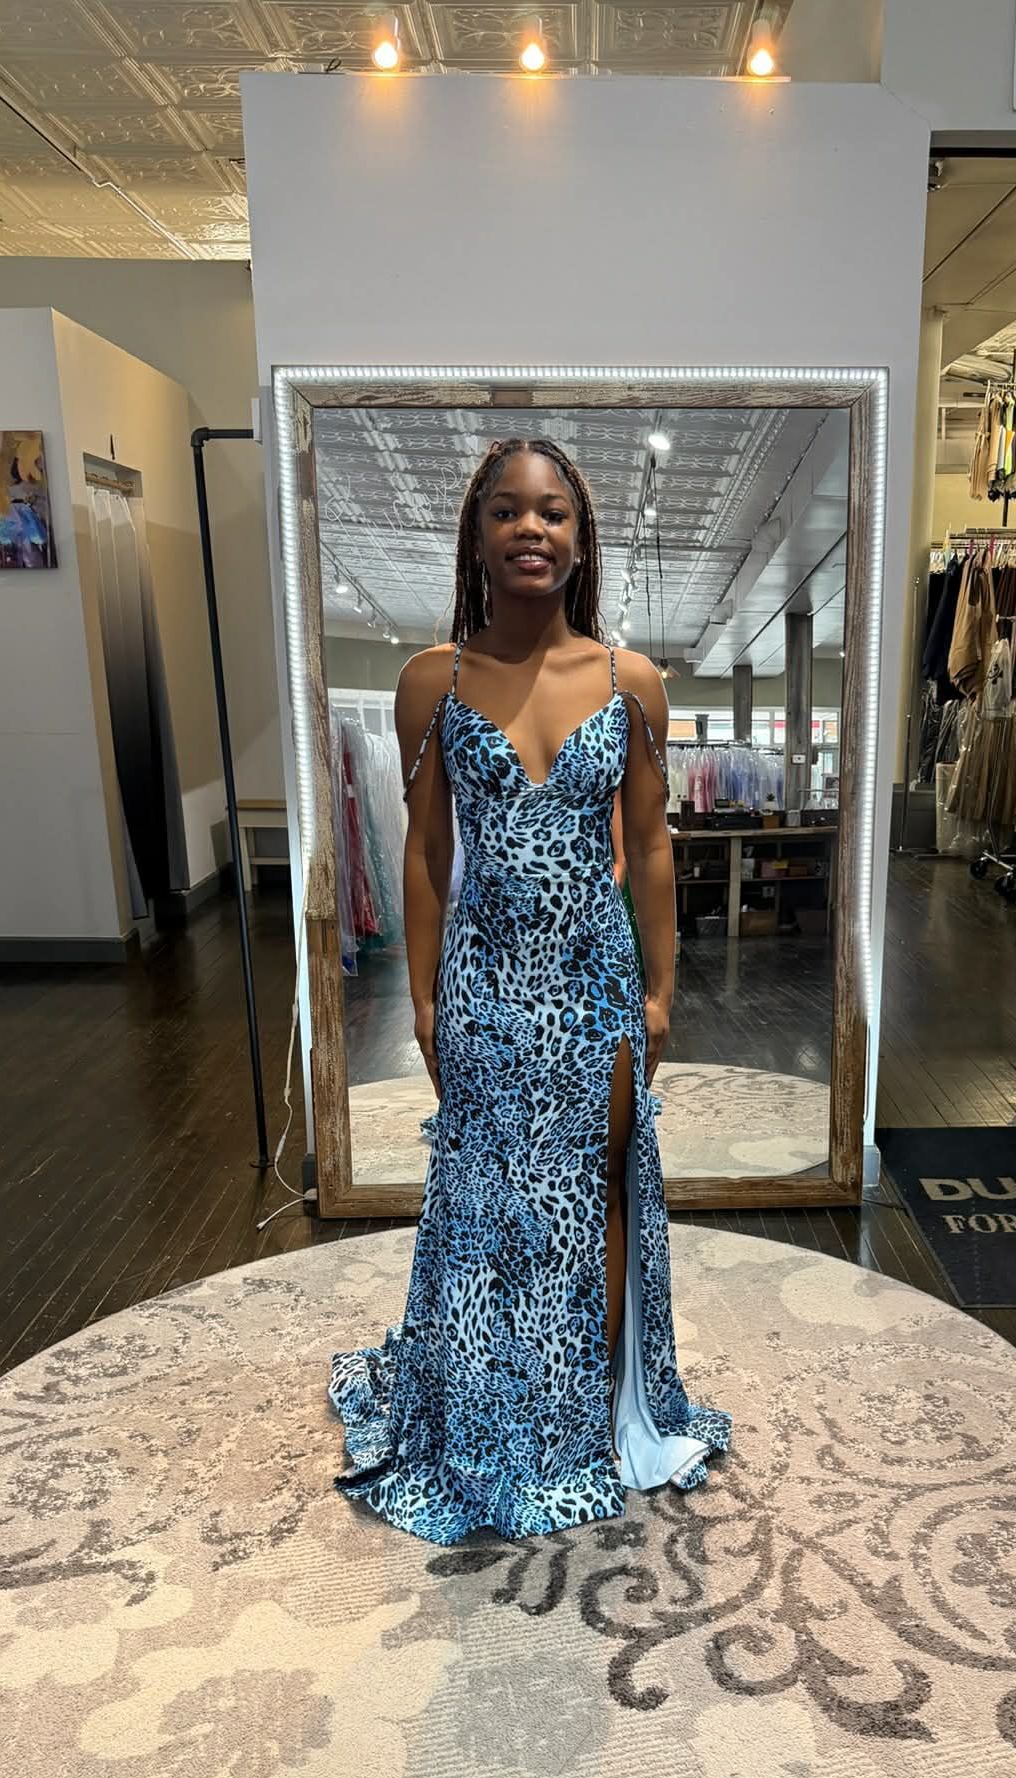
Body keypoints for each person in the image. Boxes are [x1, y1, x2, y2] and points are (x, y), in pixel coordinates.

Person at [328, 437, 731, 1545]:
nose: (530, 529)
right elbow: (420, 853)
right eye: (505, 511)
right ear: (476, 535)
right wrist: (418, 999)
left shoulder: (627, 681)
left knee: (599, 1185)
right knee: (488, 1203)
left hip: (595, 980)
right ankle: (489, 1415)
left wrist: (662, 985)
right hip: (485, 984)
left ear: (580, 536)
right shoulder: (432, 683)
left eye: (552, 512)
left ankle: (595, 1421)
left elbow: (649, 844)